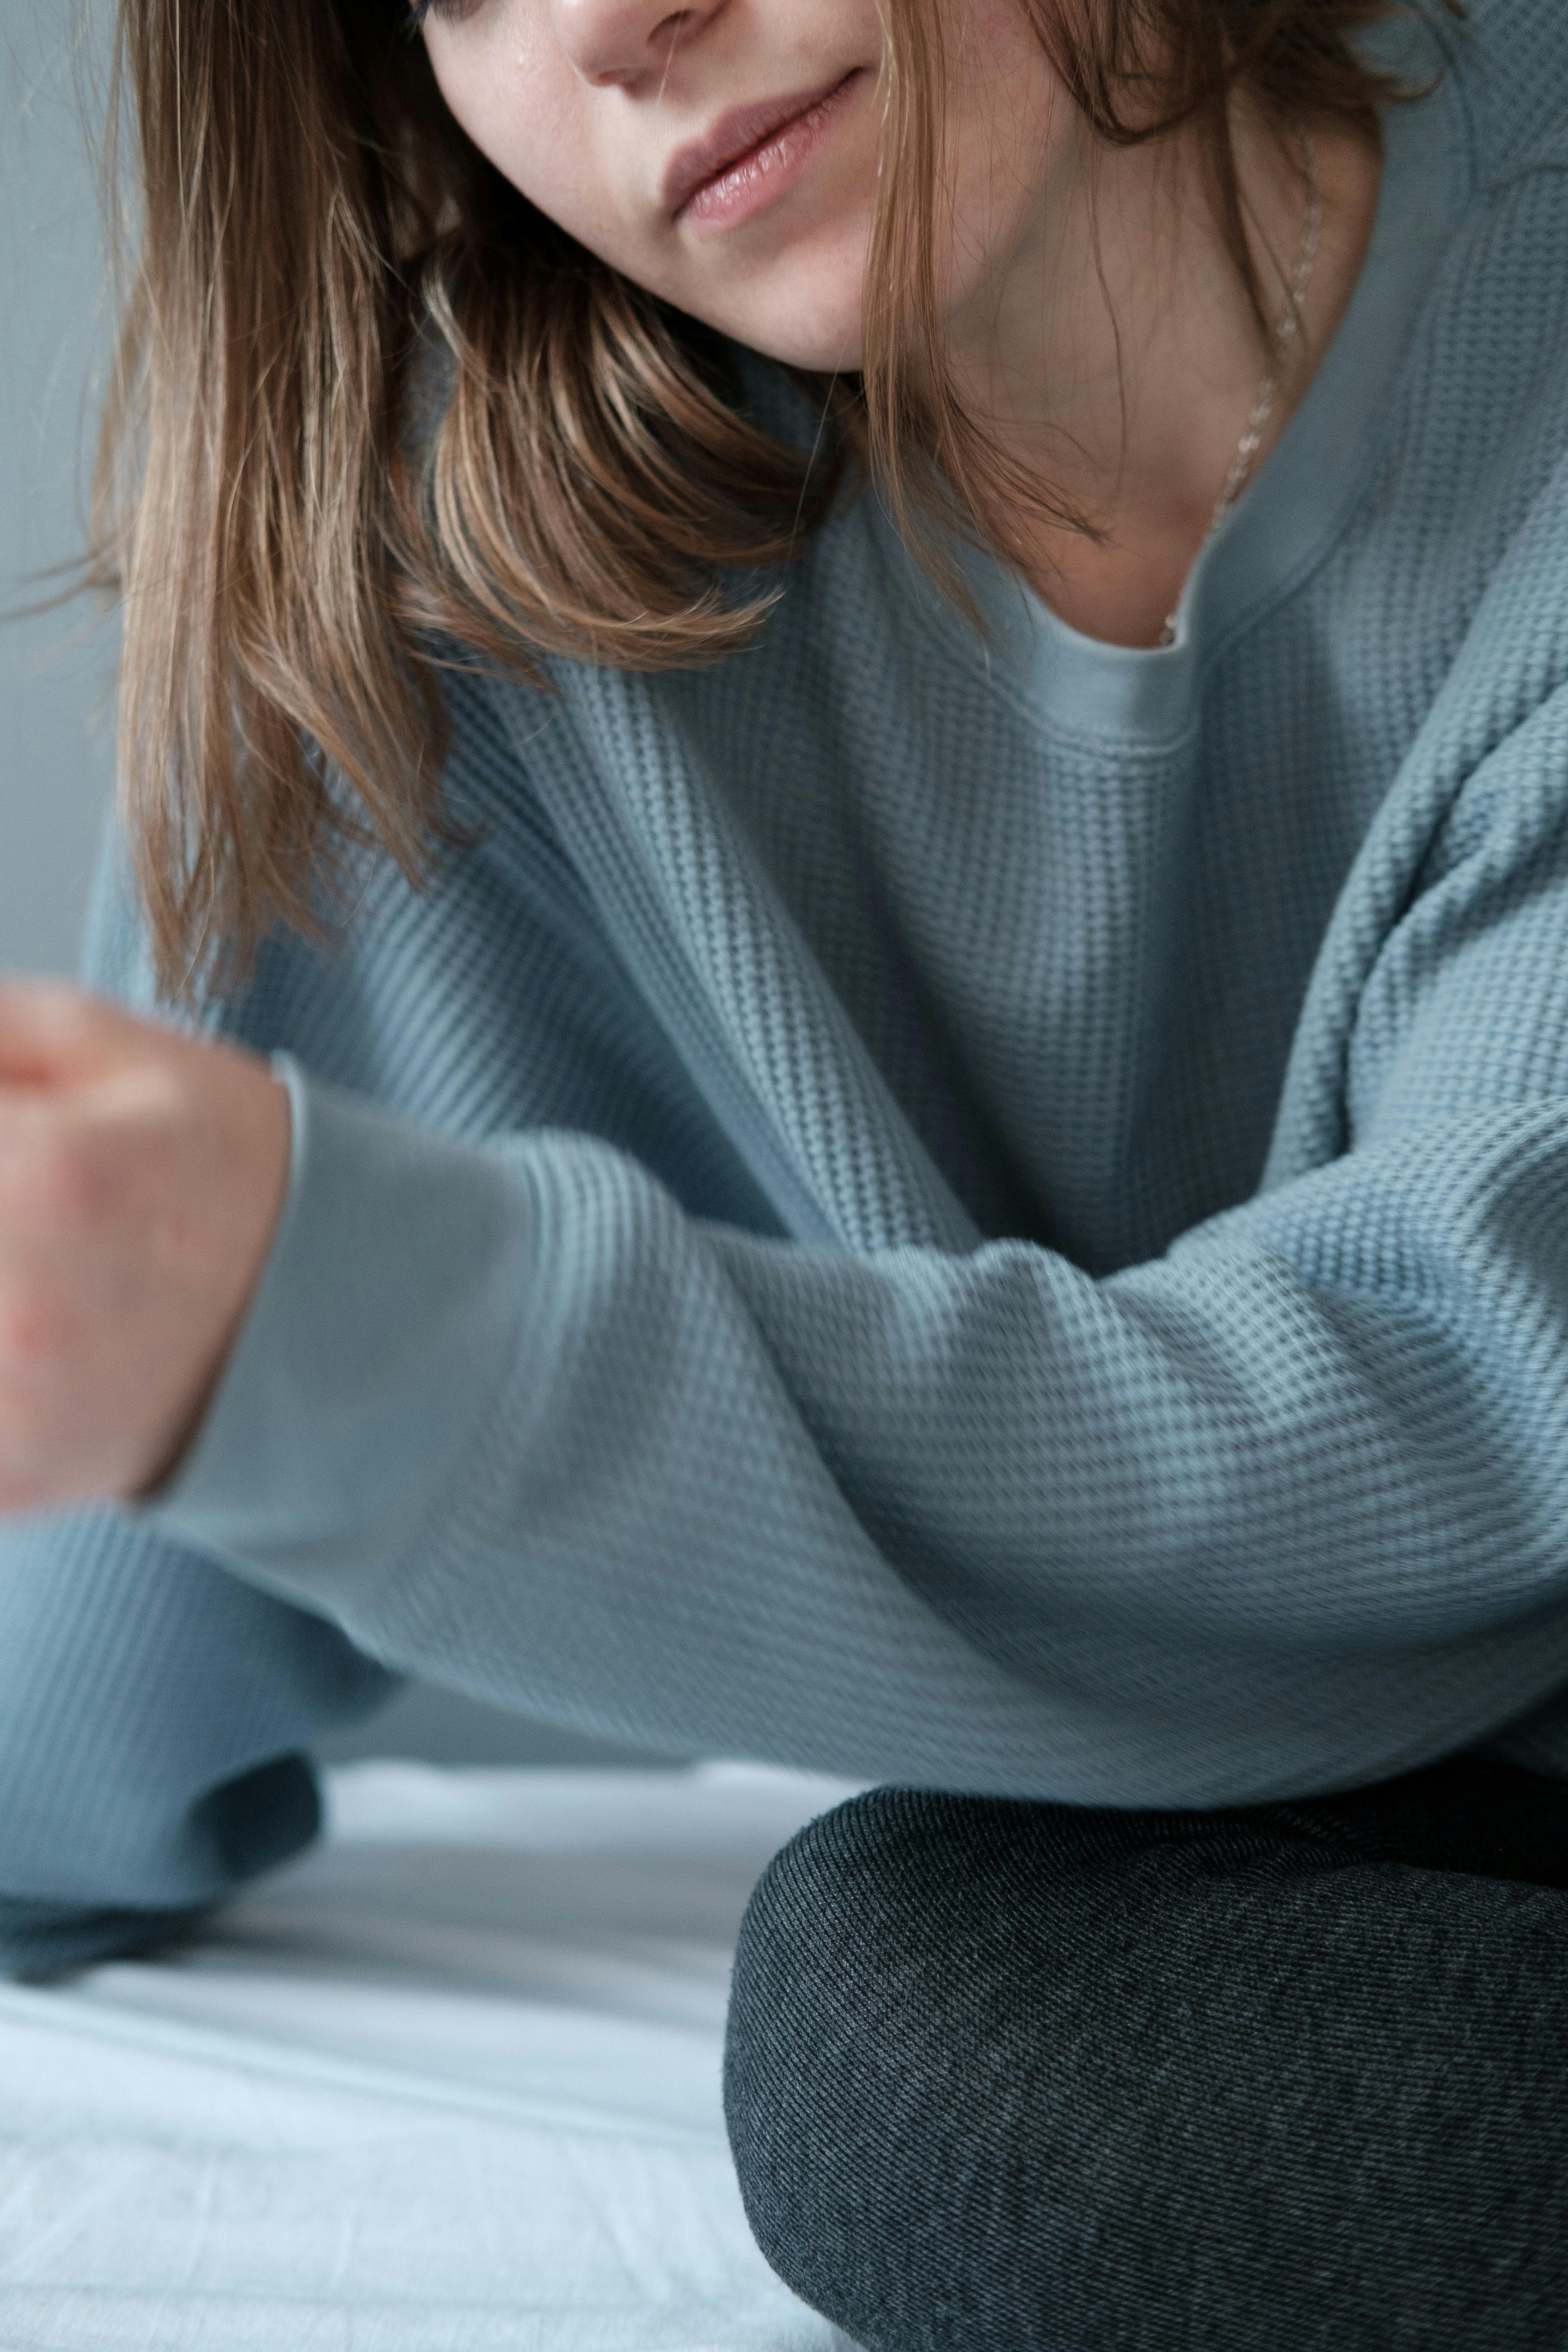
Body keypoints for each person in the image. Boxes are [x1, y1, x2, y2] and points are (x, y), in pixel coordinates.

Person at [2, 0, 1567, 2338]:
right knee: (940, 2041)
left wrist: (354, 1331)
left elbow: (1475, 1425)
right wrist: (181, 1328)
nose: (615, 28)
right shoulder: (464, 584)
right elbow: (83, 1635)